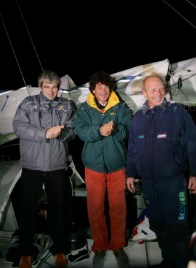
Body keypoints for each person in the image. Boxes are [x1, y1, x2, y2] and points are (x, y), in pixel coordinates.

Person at [126, 73, 196, 268]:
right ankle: (169, 260)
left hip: (174, 183)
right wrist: (130, 172)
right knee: (158, 225)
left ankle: (183, 263)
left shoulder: (177, 113)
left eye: (161, 88)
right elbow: (133, 148)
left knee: (177, 227)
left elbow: (194, 144)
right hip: (150, 185)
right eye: (153, 90)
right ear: (144, 93)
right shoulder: (137, 118)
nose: (159, 93)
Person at [13, 70, 77, 268]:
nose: (51, 90)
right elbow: (18, 126)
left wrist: (62, 133)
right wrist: (45, 133)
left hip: (56, 165)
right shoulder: (28, 103)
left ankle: (59, 249)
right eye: (47, 86)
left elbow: (74, 131)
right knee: (27, 210)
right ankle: (25, 252)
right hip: (31, 165)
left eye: (55, 87)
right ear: (40, 87)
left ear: (59, 88)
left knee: (58, 209)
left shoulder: (67, 105)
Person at [73, 71, 132, 268]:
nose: (103, 90)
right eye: (99, 87)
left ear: (111, 89)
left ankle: (117, 245)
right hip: (93, 166)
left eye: (106, 87)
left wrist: (115, 130)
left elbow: (127, 131)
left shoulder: (121, 107)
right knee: (95, 208)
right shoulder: (83, 109)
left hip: (116, 165)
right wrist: (99, 131)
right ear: (93, 89)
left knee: (118, 207)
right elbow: (80, 131)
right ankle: (99, 246)